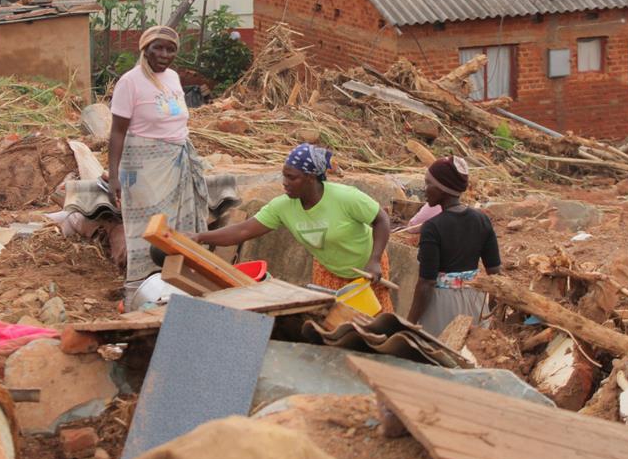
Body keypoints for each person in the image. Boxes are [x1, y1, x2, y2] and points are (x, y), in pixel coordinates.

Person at [193, 144, 394, 310]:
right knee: (333, 321)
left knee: (373, 321)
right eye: (284, 176)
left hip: (367, 267)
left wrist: (374, 260)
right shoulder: (283, 206)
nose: (284, 183)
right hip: (328, 271)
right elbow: (243, 230)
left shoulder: (345, 197)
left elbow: (381, 220)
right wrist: (200, 237)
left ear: (311, 177)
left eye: (292, 177)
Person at [108, 25, 208, 304]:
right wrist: (113, 175)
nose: (164, 54)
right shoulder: (130, 82)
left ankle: (176, 285)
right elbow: (117, 132)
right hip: (143, 167)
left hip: (178, 161)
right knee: (149, 229)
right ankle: (141, 292)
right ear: (145, 48)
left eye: (170, 49)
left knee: (176, 227)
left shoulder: (174, 77)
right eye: (158, 48)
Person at [406, 156, 501, 336]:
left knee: (438, 355)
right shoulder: (482, 220)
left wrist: (408, 323)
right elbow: (495, 272)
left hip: (442, 306)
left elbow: (427, 282)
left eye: (428, 184)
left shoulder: (432, 227)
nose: (424, 190)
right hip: (476, 301)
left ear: (443, 189)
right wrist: (490, 311)